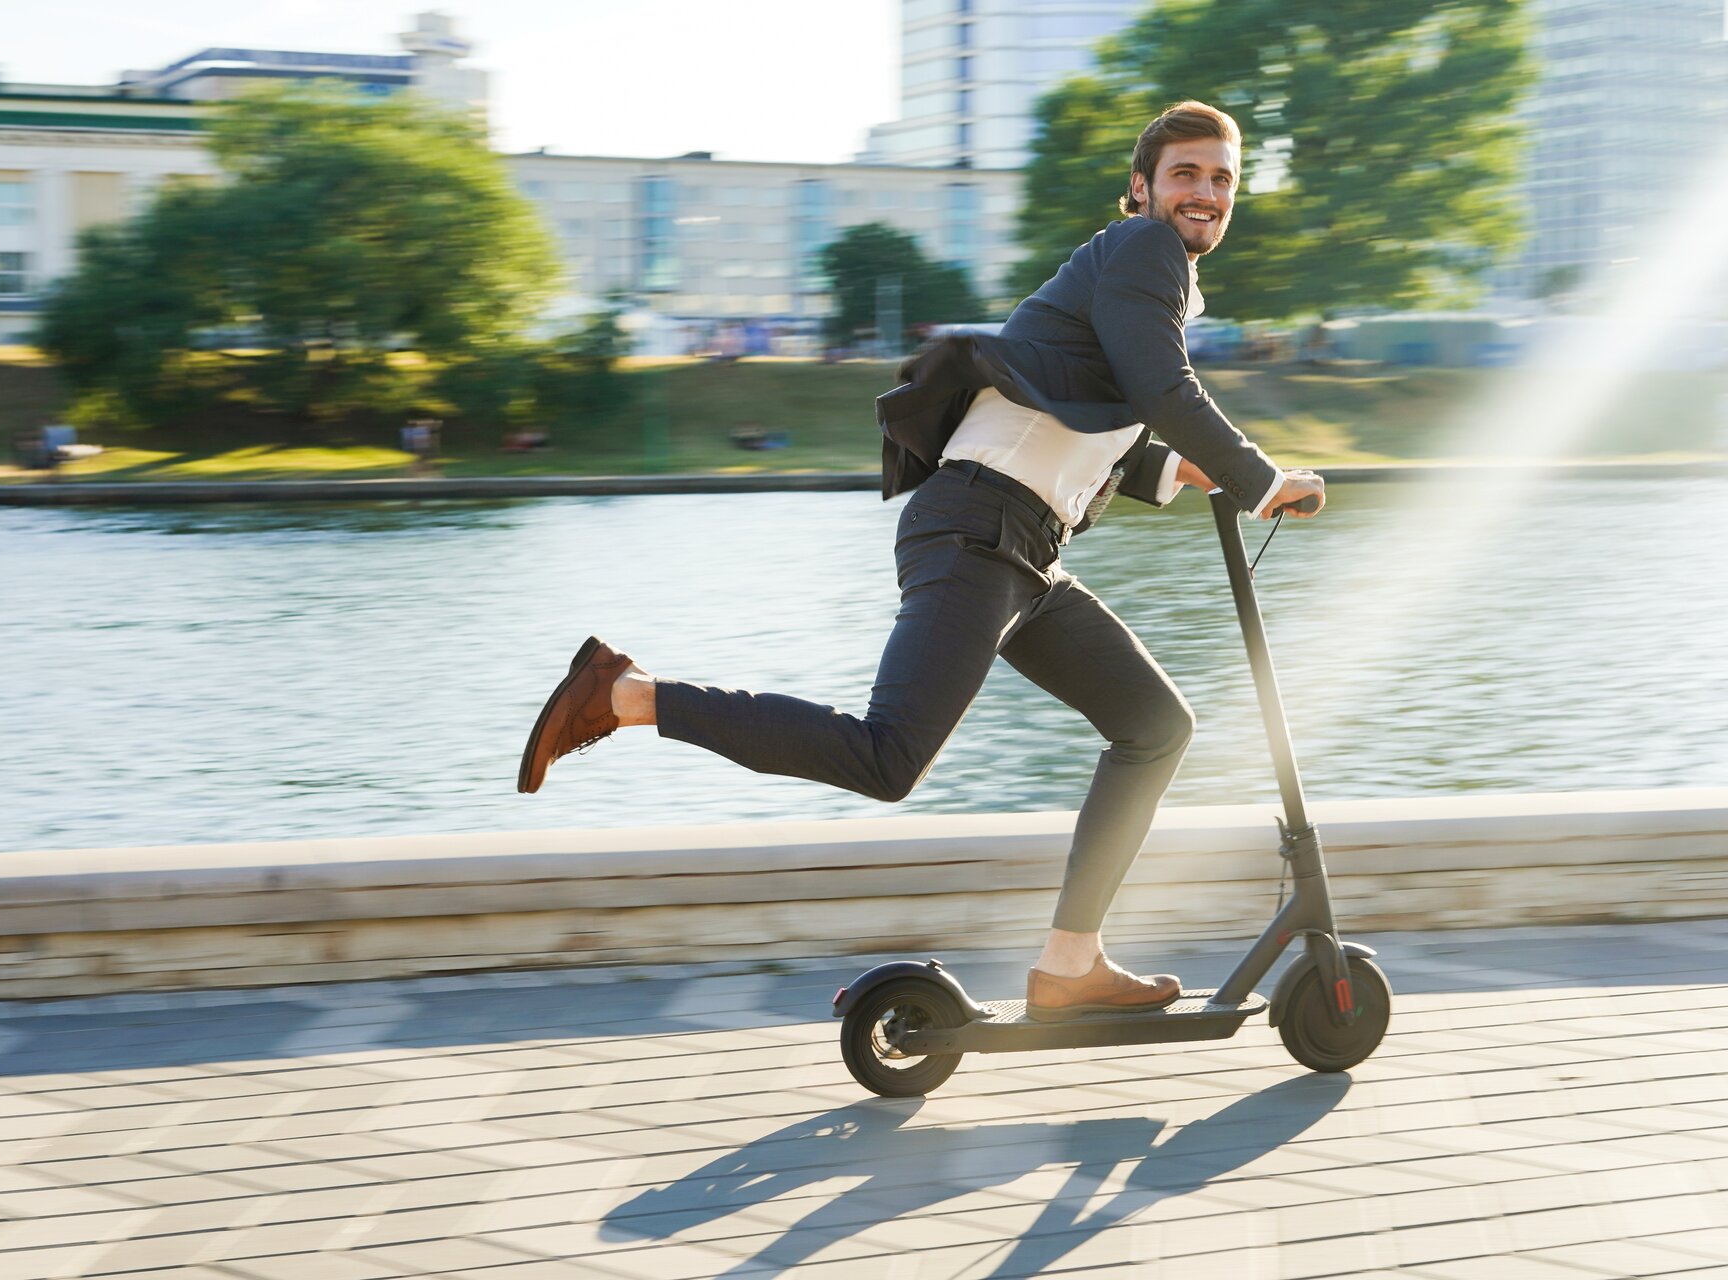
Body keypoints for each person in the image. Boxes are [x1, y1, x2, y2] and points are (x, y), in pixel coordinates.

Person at [517, 102, 1325, 1020]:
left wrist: (1180, 469)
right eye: (1186, 174)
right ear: (1142, 187)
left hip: (1023, 547)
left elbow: (1087, 405)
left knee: (1153, 725)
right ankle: (628, 696)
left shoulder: (1132, 271)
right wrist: (1257, 479)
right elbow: (1161, 387)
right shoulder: (1146, 253)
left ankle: (1070, 964)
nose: (1206, 193)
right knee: (887, 756)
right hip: (981, 528)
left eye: (1222, 178)